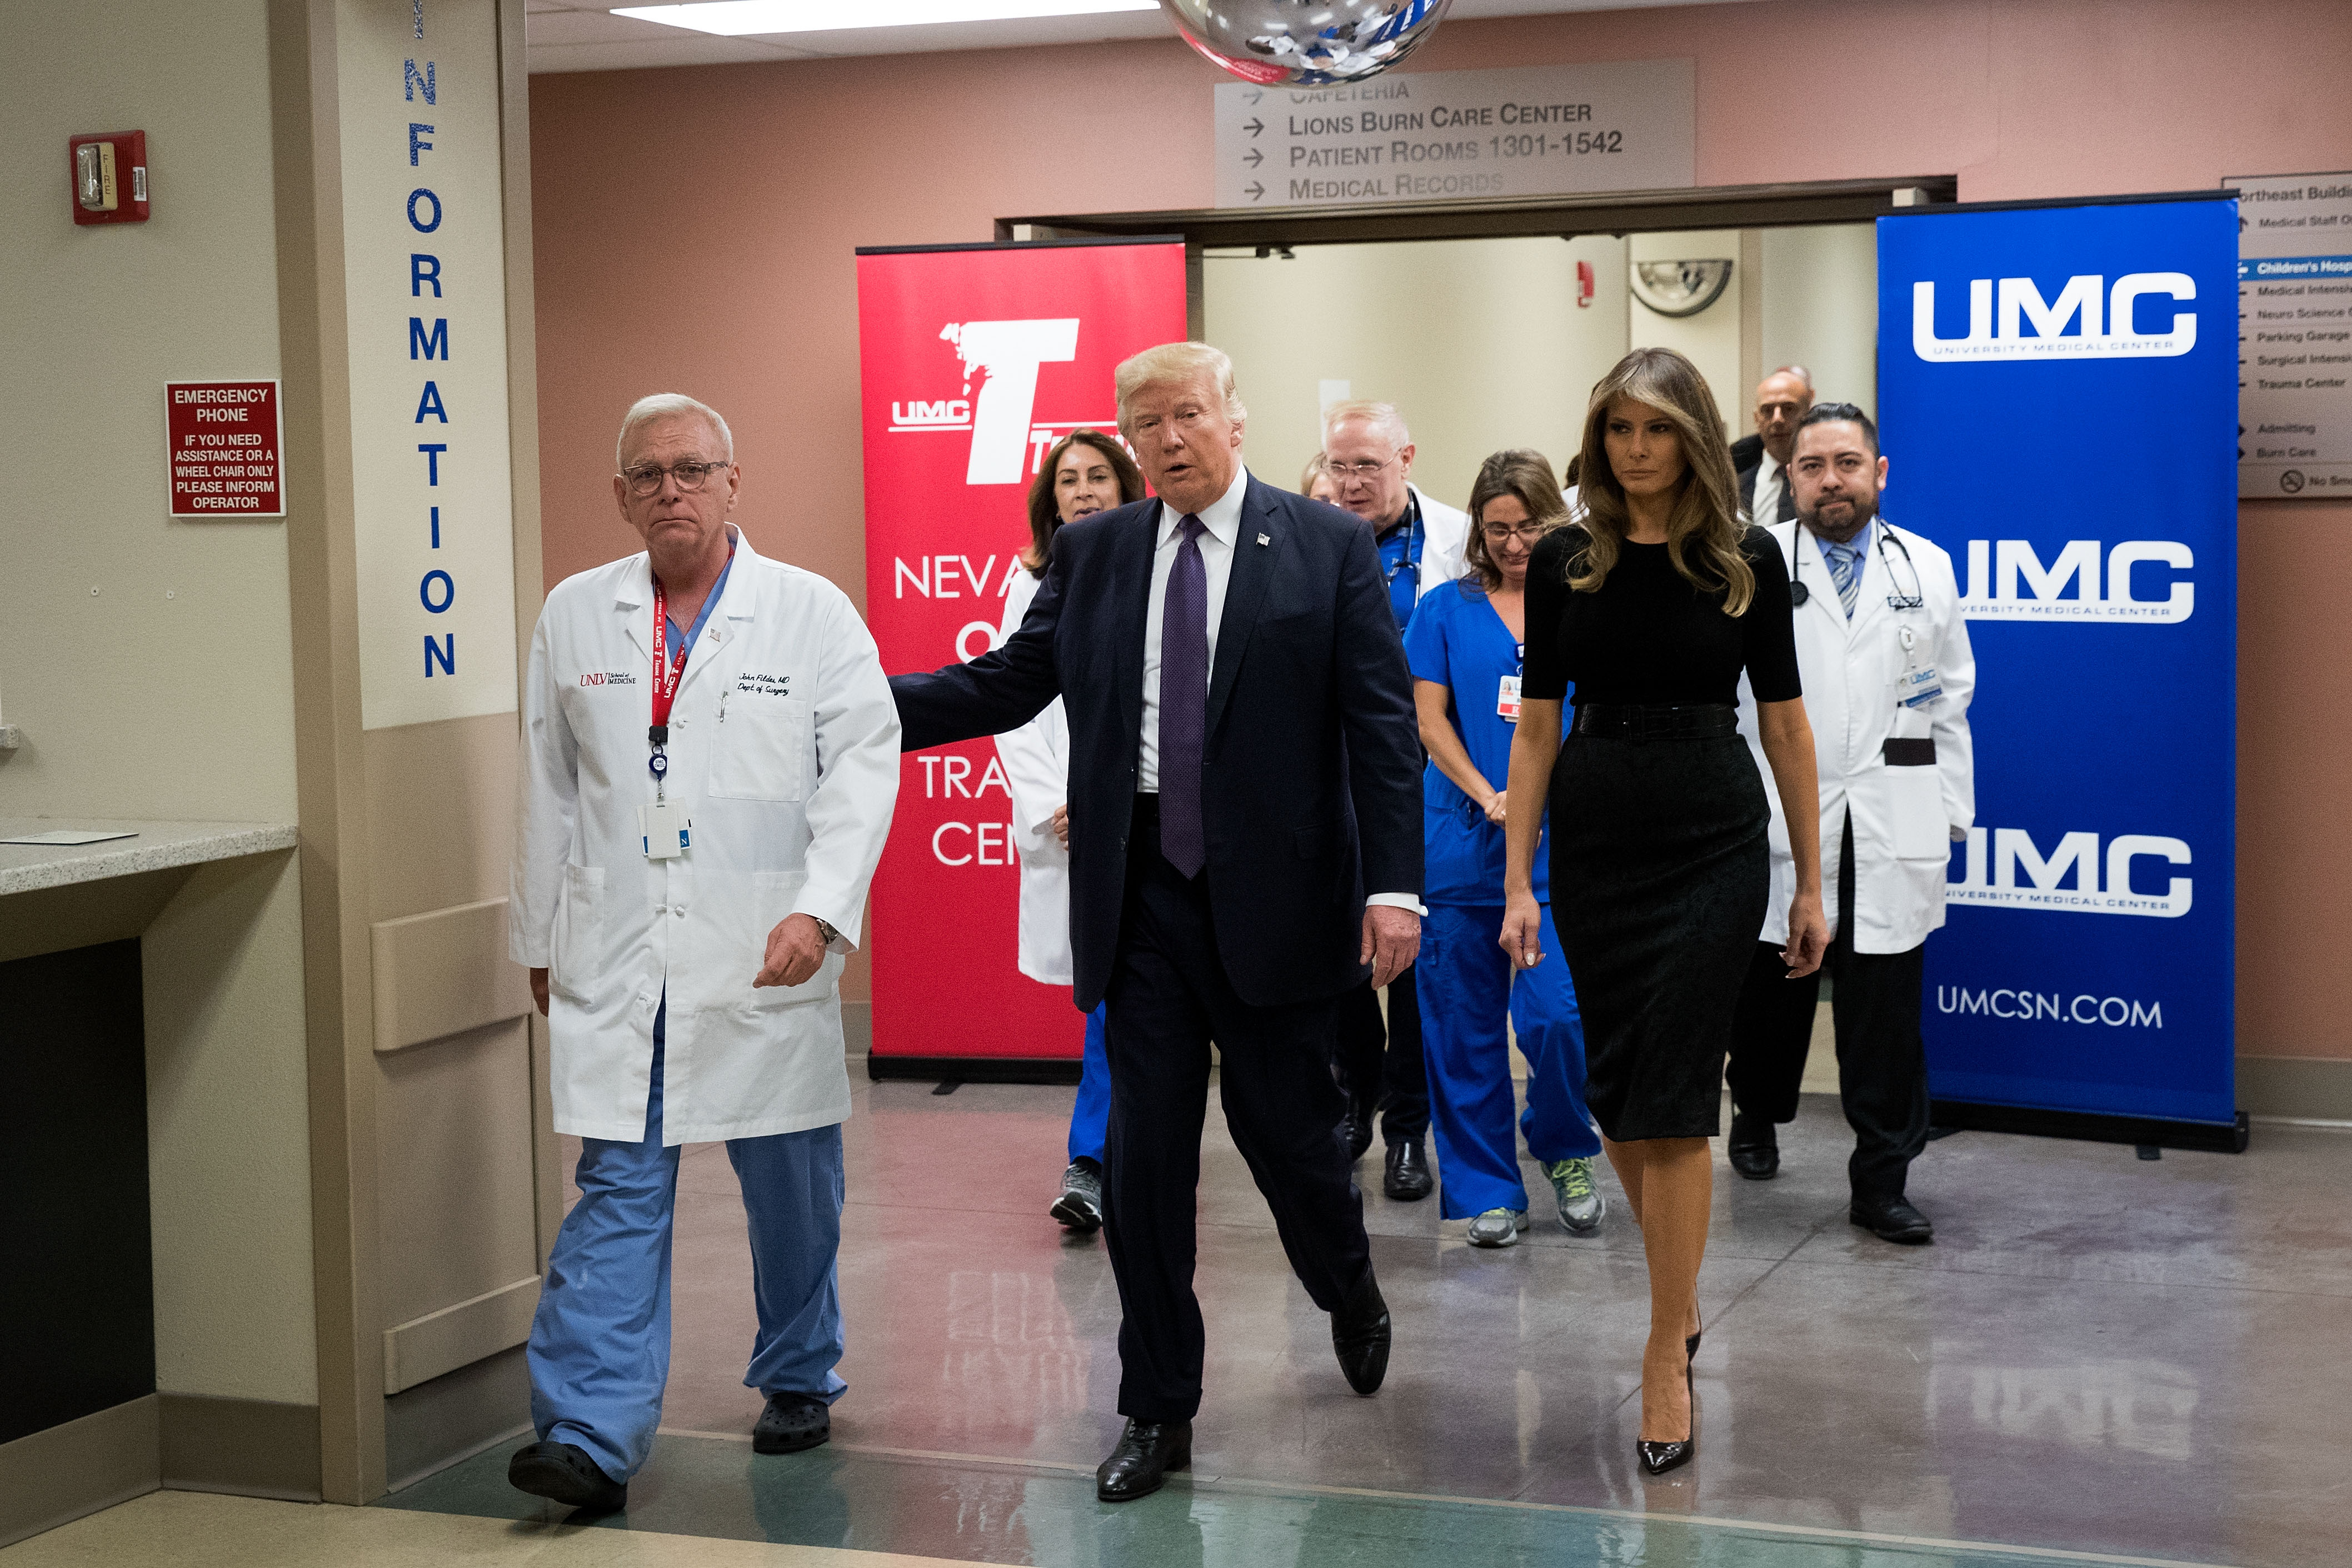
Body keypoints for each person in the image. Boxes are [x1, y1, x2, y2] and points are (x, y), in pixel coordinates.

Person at [890, 342, 1422, 1504]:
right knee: (1143, 1163)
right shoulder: (1094, 552)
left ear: (1233, 417)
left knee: (1292, 1145)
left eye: (1187, 413)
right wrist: (859, 707)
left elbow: (1381, 730)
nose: (1167, 438)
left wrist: (1394, 887)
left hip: (1278, 900)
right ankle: (1156, 1404)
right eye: (1145, 423)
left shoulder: (1323, 545)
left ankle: (1346, 1280)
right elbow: (1006, 683)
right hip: (1138, 894)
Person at [507, 393, 900, 1511]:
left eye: (691, 468)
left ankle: (797, 1369)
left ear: (734, 481)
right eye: (647, 473)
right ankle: (588, 1430)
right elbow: (545, 783)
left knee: (791, 1187)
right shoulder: (576, 613)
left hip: (764, 945)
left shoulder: (809, 612)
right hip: (622, 948)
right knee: (617, 1186)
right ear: (619, 495)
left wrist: (820, 910)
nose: (670, 489)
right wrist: (539, 931)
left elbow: (863, 766)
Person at [1499, 348, 1827, 1478]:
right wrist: (1517, 880)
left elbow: (1783, 724)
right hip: (1597, 837)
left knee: (1677, 1098)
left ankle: (1661, 1351)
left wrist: (1810, 881)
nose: (1635, 449)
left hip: (1712, 837)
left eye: (1656, 429)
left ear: (1691, 436)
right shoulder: (1564, 558)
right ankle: (1677, 1288)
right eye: (1618, 429)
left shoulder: (1745, 555)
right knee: (1616, 1093)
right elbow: (1535, 727)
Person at [1726, 403, 1975, 1244]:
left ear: (1879, 471)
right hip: (1780, 810)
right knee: (1769, 1000)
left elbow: (1950, 698)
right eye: (1812, 466)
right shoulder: (1752, 559)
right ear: (1789, 477)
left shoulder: (1926, 565)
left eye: (1847, 463)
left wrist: (1951, 813)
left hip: (1895, 810)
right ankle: (1756, 1109)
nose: (1830, 480)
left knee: (1885, 1016)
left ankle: (1883, 1179)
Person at [1404, 450, 1604, 1246]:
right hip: (1461, 845)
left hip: (1560, 853)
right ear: (1477, 531)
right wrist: (1489, 793)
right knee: (1462, 1029)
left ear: (1556, 521)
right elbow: (1428, 720)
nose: (1514, 544)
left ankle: (1565, 1148)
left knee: (1559, 1020)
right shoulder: (1442, 610)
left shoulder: (1585, 601)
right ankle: (1487, 1187)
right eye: (1497, 530)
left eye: (1528, 527)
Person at [997, 431, 1148, 1235]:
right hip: (1074, 822)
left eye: (1098, 476)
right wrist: (1062, 802)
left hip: (1154, 817)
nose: (1084, 490)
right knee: (1110, 993)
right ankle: (1093, 1161)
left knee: (1133, 998)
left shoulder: (1164, 570)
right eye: (1068, 479)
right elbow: (1012, 710)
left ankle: (1120, 1157)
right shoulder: (1028, 583)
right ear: (1050, 499)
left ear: (1126, 487)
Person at [1322, 399, 1471, 1202]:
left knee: (1414, 964)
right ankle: (1355, 1099)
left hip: (1424, 788)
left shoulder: (1455, 540)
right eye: (1338, 466)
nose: (1351, 483)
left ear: (1405, 460)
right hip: (1333, 787)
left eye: (1367, 467)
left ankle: (1410, 1126)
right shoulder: (1306, 537)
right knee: (1342, 963)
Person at [1735, 366, 1815, 523]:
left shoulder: (1828, 481)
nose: (1777, 419)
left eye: (1789, 409)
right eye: (1767, 410)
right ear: (1756, 418)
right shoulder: (1733, 488)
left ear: (1808, 414)